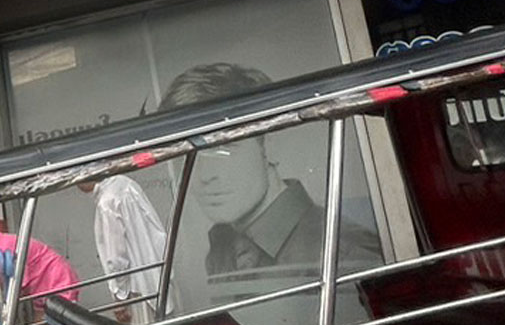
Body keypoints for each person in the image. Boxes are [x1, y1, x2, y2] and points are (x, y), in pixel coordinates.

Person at [159, 63, 380, 277]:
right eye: (186, 159)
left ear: (269, 143)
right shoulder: (224, 246)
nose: (205, 176)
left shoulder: (341, 253)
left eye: (225, 147)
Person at [78, 174, 167, 324]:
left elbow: (116, 256)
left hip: (137, 288)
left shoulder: (107, 202)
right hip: (158, 275)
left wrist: (119, 299)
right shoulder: (126, 183)